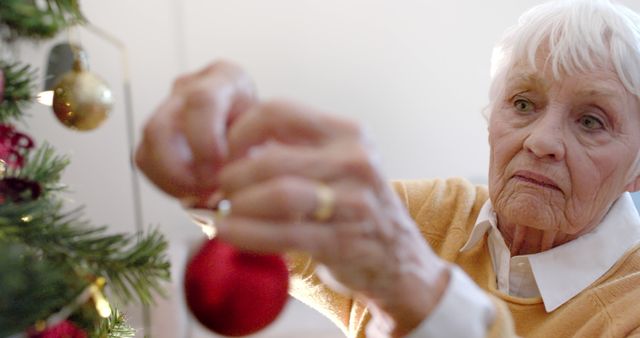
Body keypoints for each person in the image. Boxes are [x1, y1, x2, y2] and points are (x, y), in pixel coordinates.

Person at [135, 0, 640, 336]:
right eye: (524, 104)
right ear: (492, 119)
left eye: (591, 120)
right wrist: (217, 144)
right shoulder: (428, 216)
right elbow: (275, 221)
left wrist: (417, 291)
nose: (542, 140)